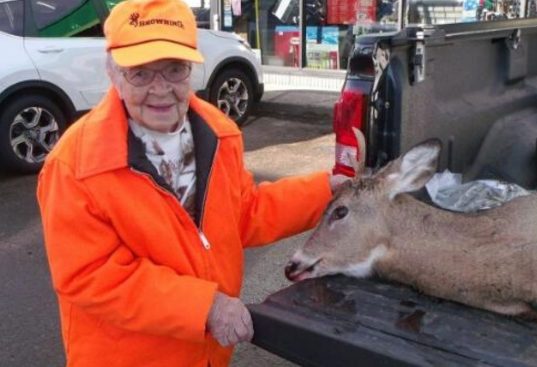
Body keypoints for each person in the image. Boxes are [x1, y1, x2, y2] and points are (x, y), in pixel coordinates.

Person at [36, 0, 347, 366]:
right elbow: (90, 275)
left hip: (207, 353)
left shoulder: (219, 134)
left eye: (174, 69)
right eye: (140, 73)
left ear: (192, 71)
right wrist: (206, 308)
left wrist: (325, 192)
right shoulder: (76, 164)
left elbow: (243, 213)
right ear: (113, 74)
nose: (160, 88)